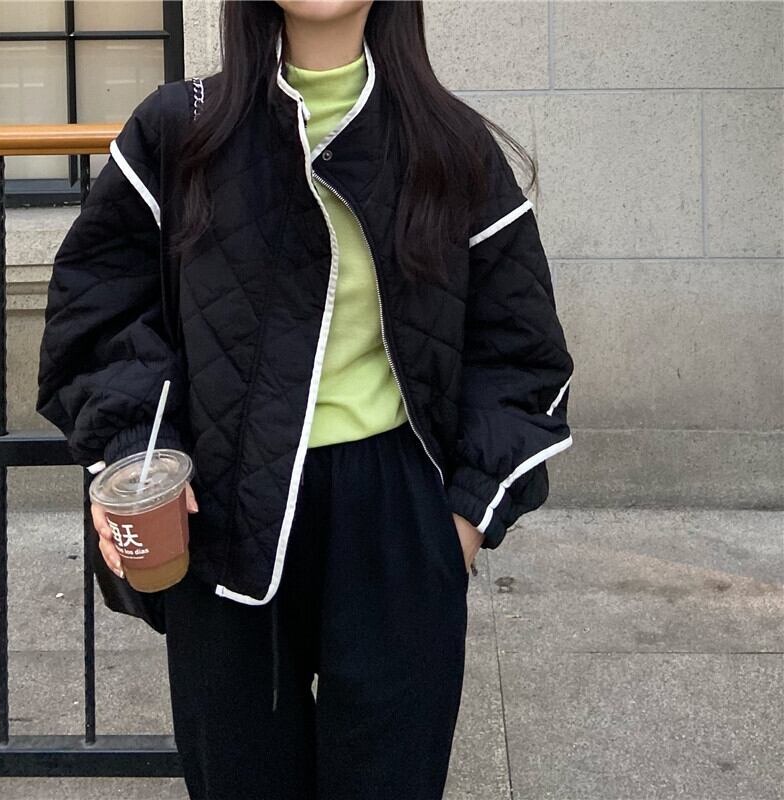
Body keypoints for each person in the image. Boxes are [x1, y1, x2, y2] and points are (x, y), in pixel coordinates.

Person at [36, 2, 574, 798]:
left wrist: (458, 526)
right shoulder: (179, 130)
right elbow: (98, 314)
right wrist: (135, 456)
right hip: (221, 512)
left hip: (395, 517)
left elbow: (521, 353)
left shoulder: (451, 145)